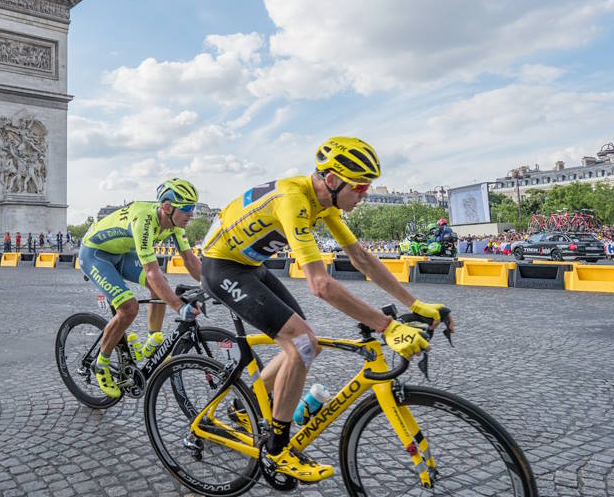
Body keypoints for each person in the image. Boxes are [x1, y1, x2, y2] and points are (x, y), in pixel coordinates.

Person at [199, 137, 446, 482]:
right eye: (360, 187)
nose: (364, 195)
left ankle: (244, 406)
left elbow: (361, 258)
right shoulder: (294, 200)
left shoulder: (325, 203)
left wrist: (416, 304)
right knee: (301, 342)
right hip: (220, 266)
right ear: (332, 181)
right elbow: (320, 285)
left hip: (250, 265)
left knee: (304, 342)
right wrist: (386, 326)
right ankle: (277, 449)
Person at [76, 178, 203, 398]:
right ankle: (101, 363)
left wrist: (213, 286)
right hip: (95, 254)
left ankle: (153, 340)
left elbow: (190, 260)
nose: (192, 214)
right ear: (167, 207)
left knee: (159, 285)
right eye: (187, 208)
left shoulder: (175, 225)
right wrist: (178, 306)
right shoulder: (144, 219)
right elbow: (151, 272)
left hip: (121, 253)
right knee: (129, 307)